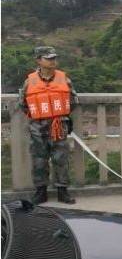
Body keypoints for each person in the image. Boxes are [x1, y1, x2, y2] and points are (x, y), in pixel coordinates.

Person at [18, 46, 77, 204]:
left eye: (54, 58)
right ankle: (41, 192)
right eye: (48, 58)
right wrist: (39, 116)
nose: (53, 61)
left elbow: (73, 101)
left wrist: (60, 114)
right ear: (38, 60)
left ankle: (62, 191)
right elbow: (23, 103)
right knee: (39, 159)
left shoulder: (64, 79)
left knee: (61, 158)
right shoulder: (29, 81)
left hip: (59, 124)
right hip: (37, 126)